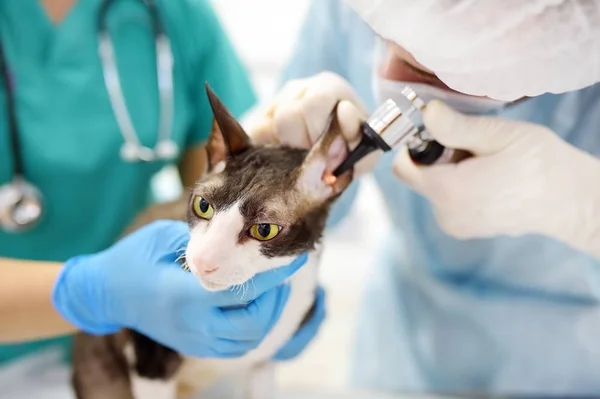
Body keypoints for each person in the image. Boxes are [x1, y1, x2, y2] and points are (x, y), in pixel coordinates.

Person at [247, 0, 600, 395]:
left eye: (433, 74)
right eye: (383, 38)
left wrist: (586, 210)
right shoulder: (348, 11)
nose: (387, 73)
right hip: (403, 357)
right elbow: (303, 217)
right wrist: (287, 162)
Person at [0, 0, 322, 393]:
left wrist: (271, 285)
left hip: (148, 333)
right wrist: (87, 291)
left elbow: (226, 184)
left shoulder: (175, 13)